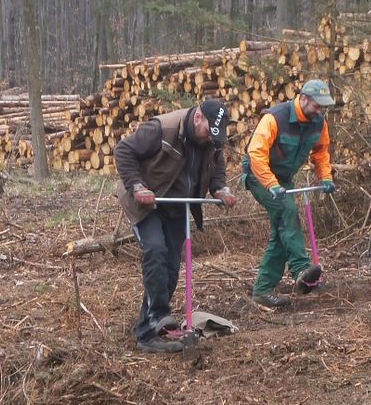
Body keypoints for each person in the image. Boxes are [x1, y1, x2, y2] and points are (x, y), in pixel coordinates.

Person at [114, 99, 237, 353]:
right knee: (156, 251)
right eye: (208, 131)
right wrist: (137, 185)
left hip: (176, 206)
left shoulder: (211, 140)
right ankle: (157, 318)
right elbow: (123, 151)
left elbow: (217, 167)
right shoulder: (163, 129)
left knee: (170, 267)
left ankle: (149, 330)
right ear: (198, 118)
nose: (211, 138)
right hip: (146, 203)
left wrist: (220, 188)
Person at [243, 79, 335, 309]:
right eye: (317, 105)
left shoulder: (318, 123)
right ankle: (301, 270)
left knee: (282, 229)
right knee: (287, 211)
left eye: (323, 107)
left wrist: (326, 177)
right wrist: (270, 184)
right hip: (258, 174)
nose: (320, 111)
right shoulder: (276, 118)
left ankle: (263, 290)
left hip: (283, 178)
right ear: (303, 99)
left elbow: (321, 153)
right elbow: (256, 153)